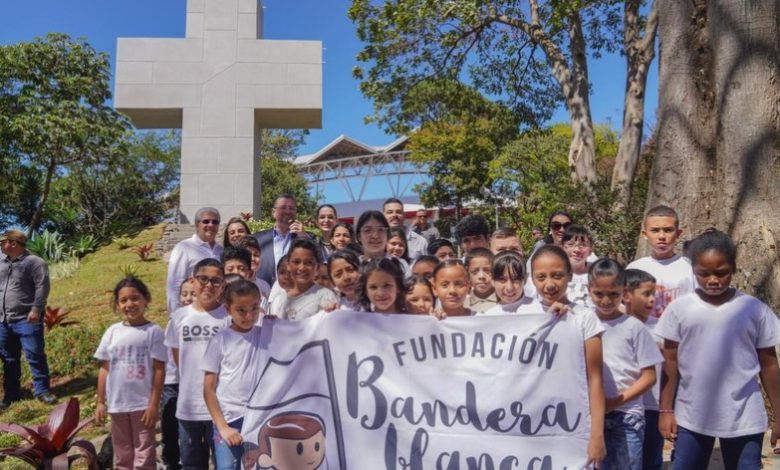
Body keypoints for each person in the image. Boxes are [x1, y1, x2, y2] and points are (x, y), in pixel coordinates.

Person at [657, 229, 780, 468]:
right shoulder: (679, 309)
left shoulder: (754, 310)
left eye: (721, 273)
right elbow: (670, 362)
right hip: (691, 416)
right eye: (703, 274)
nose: (713, 280)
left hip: (744, 417)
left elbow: (769, 365)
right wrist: (665, 410)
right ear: (693, 271)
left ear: (733, 268)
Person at [518, 245, 606, 466]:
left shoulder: (585, 318)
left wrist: (597, 435)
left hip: (573, 423)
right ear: (532, 279)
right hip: (529, 421)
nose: (549, 284)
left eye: (557, 275)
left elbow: (595, 379)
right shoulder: (522, 315)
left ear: (569, 275)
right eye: (541, 277)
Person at [588, 259, 662, 470]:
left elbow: (650, 376)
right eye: (599, 294)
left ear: (623, 291)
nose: (605, 300)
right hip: (591, 417)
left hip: (627, 417)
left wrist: (616, 401)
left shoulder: (634, 327)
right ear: (589, 290)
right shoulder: (582, 322)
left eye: (613, 294)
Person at [95, 277, 166, 470]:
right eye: (123, 300)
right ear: (118, 304)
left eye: (135, 298)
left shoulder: (154, 331)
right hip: (117, 405)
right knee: (122, 454)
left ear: (146, 299)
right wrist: (100, 401)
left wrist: (153, 404)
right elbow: (104, 368)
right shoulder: (112, 332)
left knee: (144, 455)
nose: (129, 304)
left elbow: (160, 370)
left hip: (143, 406)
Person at [165, 258, 230, 469]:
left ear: (223, 285)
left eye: (215, 281)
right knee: (192, 465)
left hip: (221, 408)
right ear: (192, 281)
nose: (209, 285)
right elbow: (178, 358)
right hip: (188, 407)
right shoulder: (179, 317)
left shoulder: (228, 318)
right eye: (203, 279)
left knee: (225, 463)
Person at [203, 280, 264, 470]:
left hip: (259, 419)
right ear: (228, 309)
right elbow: (208, 389)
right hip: (229, 420)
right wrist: (222, 427)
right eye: (241, 310)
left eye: (254, 308)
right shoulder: (219, 340)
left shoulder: (266, 334)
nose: (249, 315)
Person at [0, 229, 56, 406]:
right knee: (8, 359)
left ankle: (43, 391)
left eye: (2, 242)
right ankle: (11, 395)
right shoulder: (1, 263)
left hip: (27, 318)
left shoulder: (35, 262)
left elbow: (42, 287)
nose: (1, 245)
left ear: (13, 243)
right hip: (3, 321)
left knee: (34, 354)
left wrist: (36, 309)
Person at [623, 268, 664, 470]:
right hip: (622, 408)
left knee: (651, 460)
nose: (652, 300)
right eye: (646, 294)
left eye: (653, 294)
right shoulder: (612, 325)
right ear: (627, 295)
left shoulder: (662, 328)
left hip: (652, 408)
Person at [626, 205, 695, 320]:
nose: (662, 236)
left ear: (678, 233)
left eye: (668, 230)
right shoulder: (635, 268)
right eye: (655, 230)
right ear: (644, 234)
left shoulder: (690, 267)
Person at [167, 207, 223, 313]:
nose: (210, 225)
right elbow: (174, 284)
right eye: (206, 221)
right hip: (191, 312)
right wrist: (175, 316)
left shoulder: (221, 250)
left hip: (216, 313)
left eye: (215, 222)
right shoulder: (183, 248)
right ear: (197, 224)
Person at [268, 238, 337, 320]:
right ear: (289, 265)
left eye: (308, 263)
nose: (302, 268)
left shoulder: (326, 297)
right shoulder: (279, 299)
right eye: (296, 262)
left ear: (317, 266)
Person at [253, 195, 307, 287]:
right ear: (273, 212)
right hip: (265, 294)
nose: (287, 211)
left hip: (297, 294)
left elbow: (316, 261)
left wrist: (303, 237)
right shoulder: (258, 239)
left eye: (291, 208)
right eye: (283, 207)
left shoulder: (305, 237)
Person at [562, 225, 594, 307]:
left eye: (582, 245)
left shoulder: (599, 274)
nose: (576, 250)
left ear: (590, 250)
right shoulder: (554, 275)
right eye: (570, 244)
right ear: (562, 248)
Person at [464, 248, 497, 313]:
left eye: (487, 270)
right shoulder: (461, 305)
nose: (481, 276)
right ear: (468, 274)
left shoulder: (505, 302)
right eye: (474, 271)